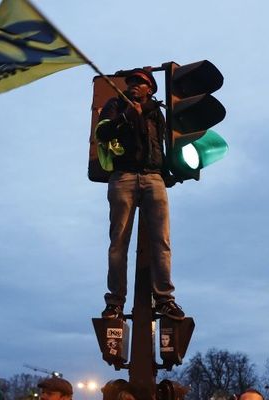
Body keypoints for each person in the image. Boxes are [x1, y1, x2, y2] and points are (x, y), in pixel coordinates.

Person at [95, 67, 184, 321]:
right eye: (131, 81)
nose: (133, 85)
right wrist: (124, 117)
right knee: (118, 243)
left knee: (162, 242)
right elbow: (102, 133)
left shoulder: (157, 113)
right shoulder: (115, 104)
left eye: (140, 82)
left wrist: (168, 172)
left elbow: (163, 144)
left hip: (153, 177)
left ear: (150, 89)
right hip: (122, 177)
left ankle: (165, 299)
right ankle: (115, 303)